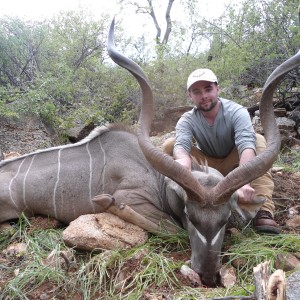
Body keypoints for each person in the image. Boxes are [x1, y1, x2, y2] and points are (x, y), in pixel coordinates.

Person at [162, 68, 280, 234]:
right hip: (207, 167)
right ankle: (180, 206)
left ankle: (263, 209)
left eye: (208, 89)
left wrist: (243, 181)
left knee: (258, 141)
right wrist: (183, 164)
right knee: (169, 145)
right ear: (190, 96)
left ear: (218, 89)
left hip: (235, 164)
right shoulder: (187, 119)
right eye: (197, 92)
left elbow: (246, 145)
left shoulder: (237, 111)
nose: (203, 96)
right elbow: (181, 146)